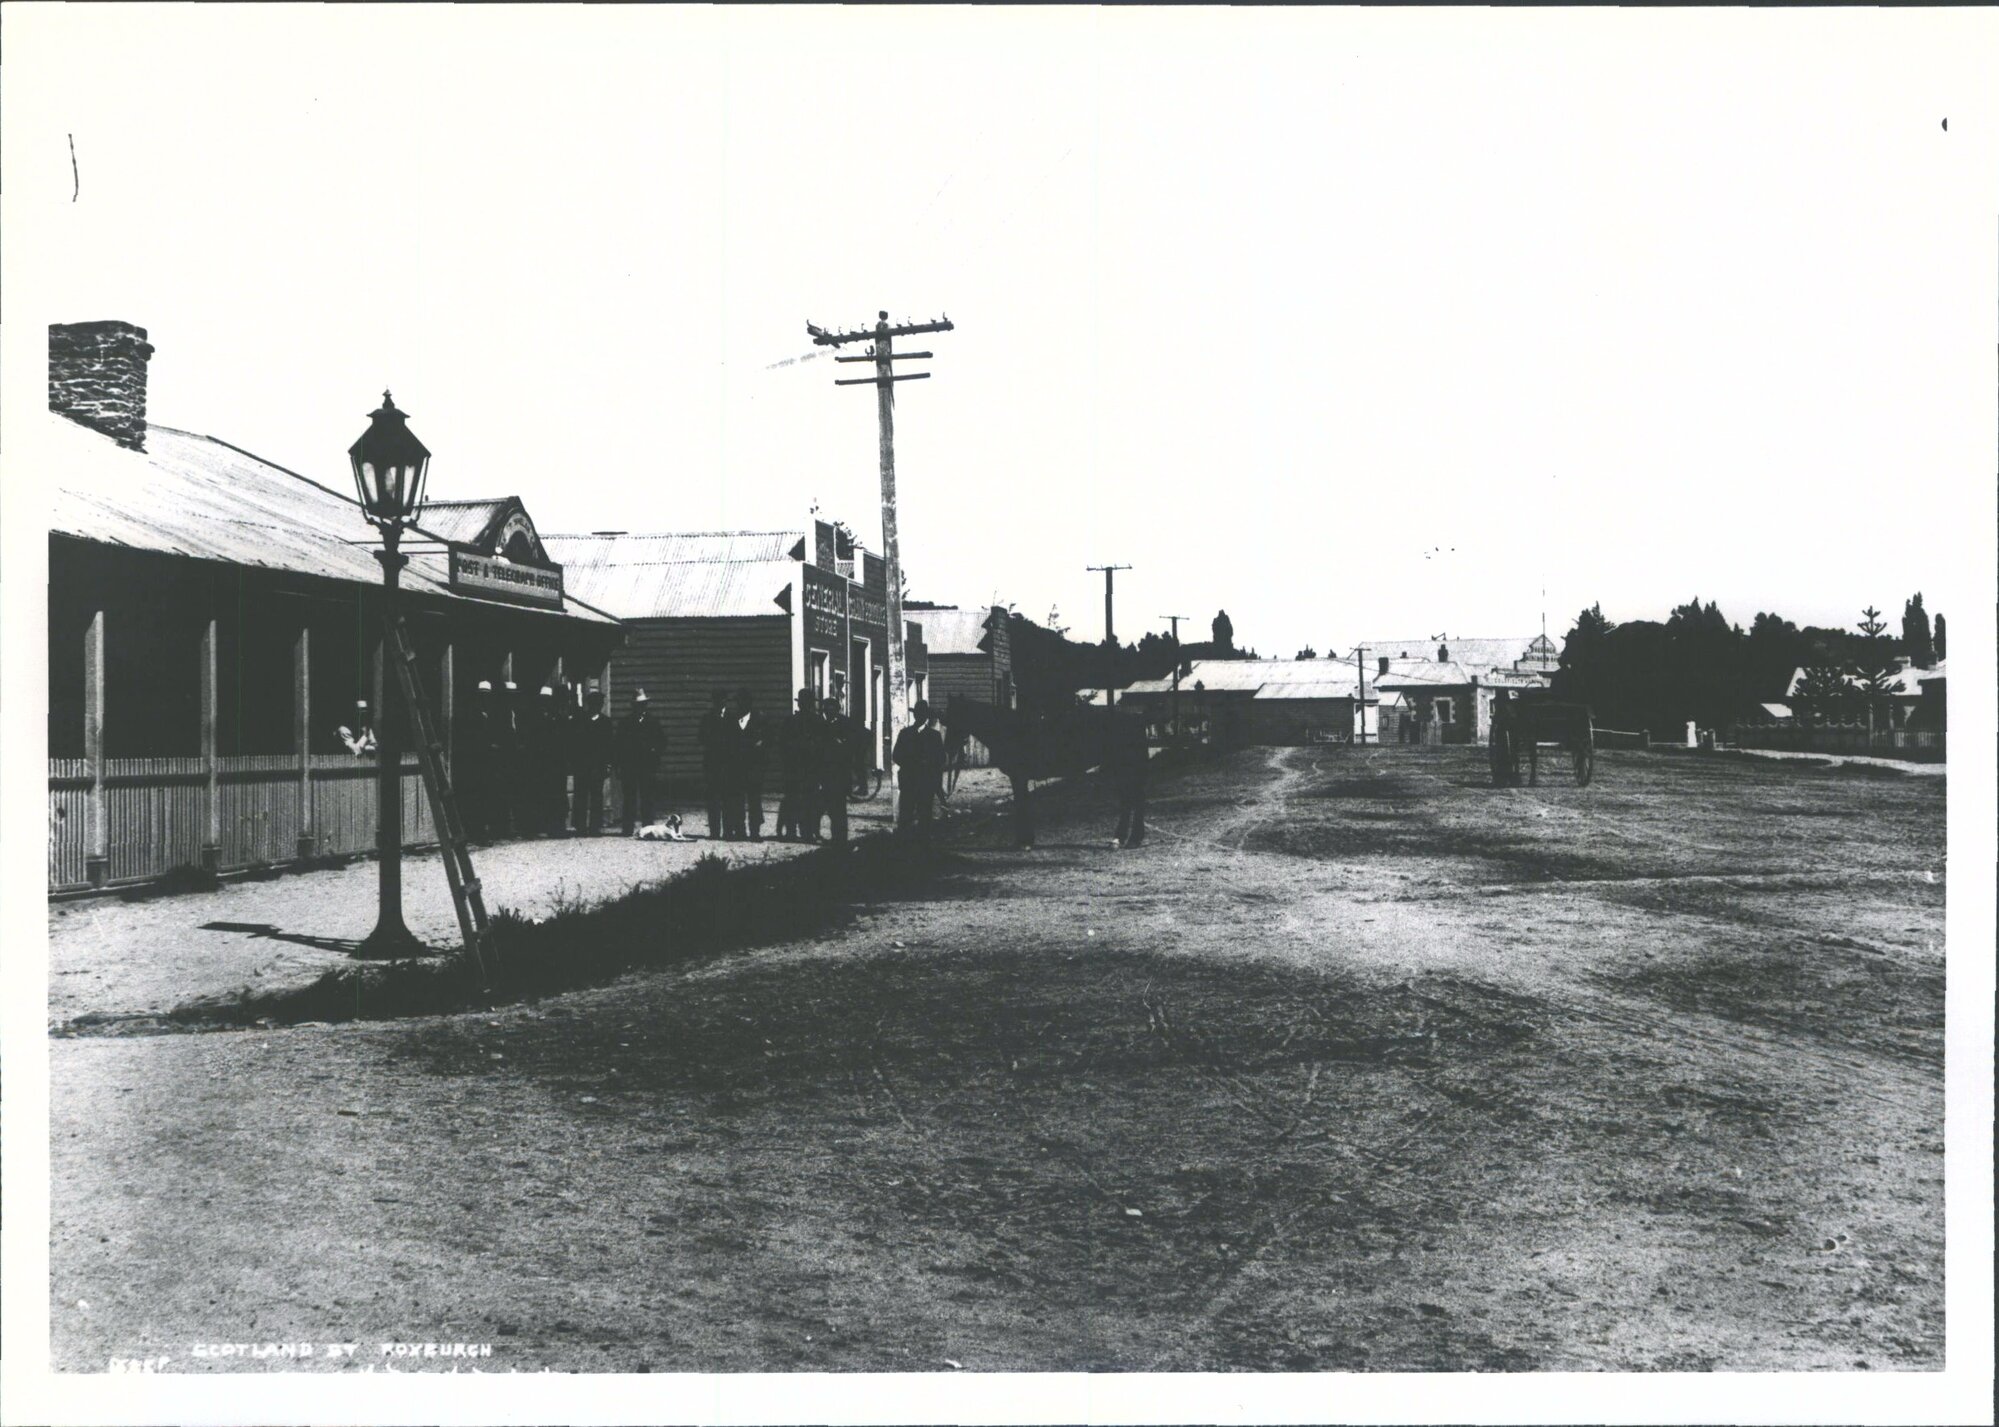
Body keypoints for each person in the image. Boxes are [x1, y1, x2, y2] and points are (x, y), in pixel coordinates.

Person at [892, 700, 947, 838]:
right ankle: (904, 845)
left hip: (926, 782)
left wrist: (928, 765)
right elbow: (896, 755)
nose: (920, 716)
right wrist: (912, 763)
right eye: (917, 713)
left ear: (927, 716)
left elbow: (941, 759)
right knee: (905, 815)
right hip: (909, 781)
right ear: (915, 715)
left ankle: (923, 847)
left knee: (925, 816)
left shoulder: (934, 736)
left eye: (923, 714)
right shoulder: (905, 733)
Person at [617, 689, 666, 834]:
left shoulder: (653, 722)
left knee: (647, 797)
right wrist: (619, 764)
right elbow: (618, 744)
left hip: (647, 765)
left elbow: (662, 742)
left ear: (646, 705)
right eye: (637, 705)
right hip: (630, 765)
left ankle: (648, 826)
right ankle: (627, 828)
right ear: (633, 706)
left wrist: (654, 752)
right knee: (629, 797)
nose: (640, 708)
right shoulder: (625, 723)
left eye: (643, 704)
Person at [776, 688, 820, 841]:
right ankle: (796, 832)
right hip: (796, 768)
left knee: (804, 801)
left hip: (807, 768)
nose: (805, 706)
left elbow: (821, 746)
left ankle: (800, 832)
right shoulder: (792, 721)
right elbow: (782, 744)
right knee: (797, 800)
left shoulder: (816, 721)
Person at [571, 688, 614, 834]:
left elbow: (609, 746)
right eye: (594, 703)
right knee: (580, 796)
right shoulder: (580, 721)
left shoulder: (606, 723)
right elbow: (574, 744)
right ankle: (580, 826)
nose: (596, 706)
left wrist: (608, 764)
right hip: (582, 765)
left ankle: (595, 827)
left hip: (598, 766)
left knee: (596, 796)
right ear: (589, 705)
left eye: (599, 704)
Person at [1107, 707, 1150, 849]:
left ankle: (1135, 837)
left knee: (1136, 805)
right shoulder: (1119, 739)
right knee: (1126, 805)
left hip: (1137, 773)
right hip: (1126, 772)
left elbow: (1144, 757)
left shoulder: (1137, 738)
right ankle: (1122, 836)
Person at [814, 696, 852, 844]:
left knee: (838, 809)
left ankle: (839, 838)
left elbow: (858, 740)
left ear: (838, 710)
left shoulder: (845, 723)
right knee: (817, 807)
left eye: (834, 710)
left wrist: (843, 745)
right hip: (820, 772)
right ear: (823, 710)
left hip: (839, 773)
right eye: (827, 710)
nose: (830, 712)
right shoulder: (818, 724)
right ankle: (814, 834)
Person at [733, 689, 770, 841]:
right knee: (738, 800)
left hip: (754, 767)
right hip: (737, 767)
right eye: (739, 702)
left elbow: (769, 740)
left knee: (754, 801)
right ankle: (740, 831)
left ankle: (755, 831)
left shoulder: (760, 719)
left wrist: (761, 745)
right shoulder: (731, 719)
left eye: (744, 702)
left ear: (750, 703)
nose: (741, 705)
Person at [697, 689, 733, 840]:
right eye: (717, 700)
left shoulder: (732, 718)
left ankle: (728, 831)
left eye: (722, 700)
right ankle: (714, 831)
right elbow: (701, 737)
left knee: (728, 799)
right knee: (713, 799)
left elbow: (736, 740)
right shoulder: (707, 718)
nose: (720, 703)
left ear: (725, 701)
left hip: (728, 764)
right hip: (712, 763)